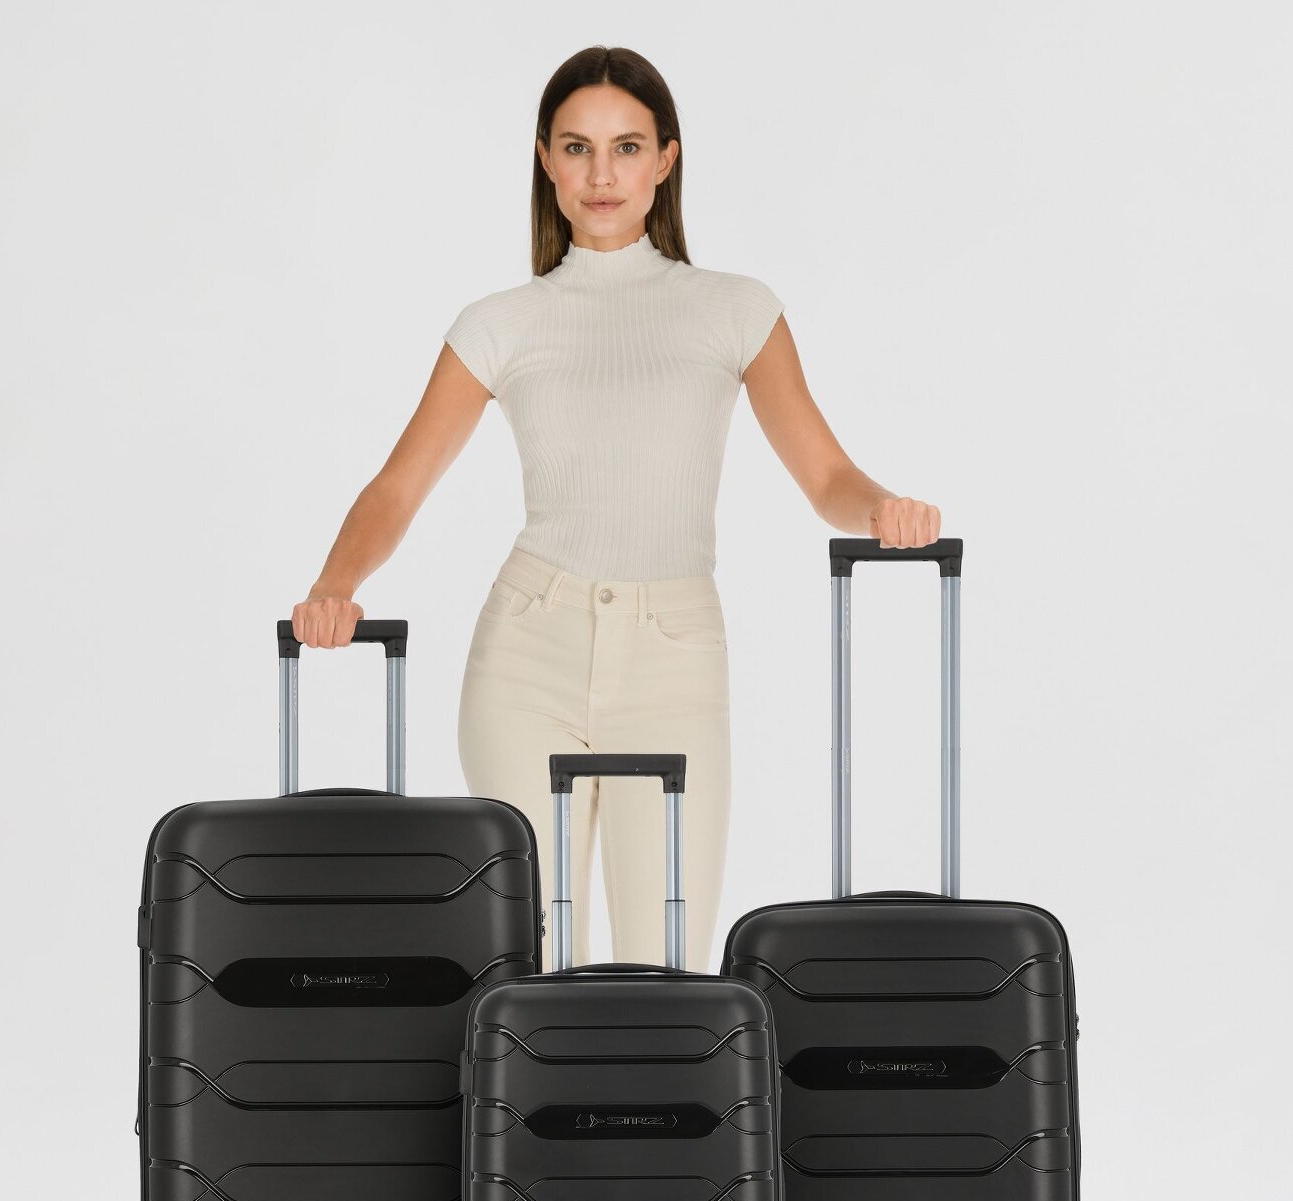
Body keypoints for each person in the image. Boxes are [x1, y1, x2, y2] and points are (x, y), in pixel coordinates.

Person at [291, 46, 942, 973]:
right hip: (528, 654)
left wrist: (882, 508)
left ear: (665, 160)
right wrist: (335, 583)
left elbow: (826, 473)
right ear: (546, 161)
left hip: (674, 655)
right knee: (533, 965)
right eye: (578, 148)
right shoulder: (499, 324)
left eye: (627, 147)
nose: (602, 175)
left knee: (667, 969)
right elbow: (399, 484)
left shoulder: (736, 311)